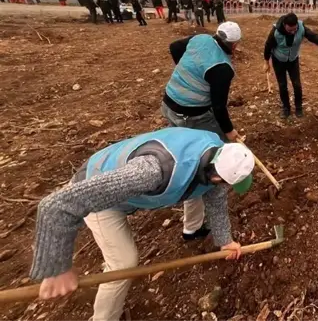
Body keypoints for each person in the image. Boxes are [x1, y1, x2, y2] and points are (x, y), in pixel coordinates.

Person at [29, 127, 253, 321]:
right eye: (227, 183)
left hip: (125, 190)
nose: (226, 188)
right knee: (124, 263)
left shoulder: (215, 156)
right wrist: (56, 267)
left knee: (201, 192)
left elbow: (216, 199)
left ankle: (191, 229)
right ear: (216, 176)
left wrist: (225, 241)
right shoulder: (151, 171)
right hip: (96, 189)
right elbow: (55, 205)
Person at [162, 22, 243, 239]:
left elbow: (174, 47)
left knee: (186, 154)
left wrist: (187, 72)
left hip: (170, 104)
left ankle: (191, 224)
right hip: (192, 116)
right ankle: (213, 188)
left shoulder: (200, 39)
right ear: (234, 45)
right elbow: (218, 107)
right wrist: (229, 132)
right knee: (212, 156)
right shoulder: (223, 68)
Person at [263, 13, 318, 118]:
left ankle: (298, 108)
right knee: (282, 85)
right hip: (279, 60)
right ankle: (286, 108)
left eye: (295, 29)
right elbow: (268, 46)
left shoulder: (301, 27)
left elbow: (313, 36)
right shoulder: (276, 32)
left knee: (297, 84)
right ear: (285, 25)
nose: (293, 32)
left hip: (293, 60)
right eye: (290, 30)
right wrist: (266, 62)